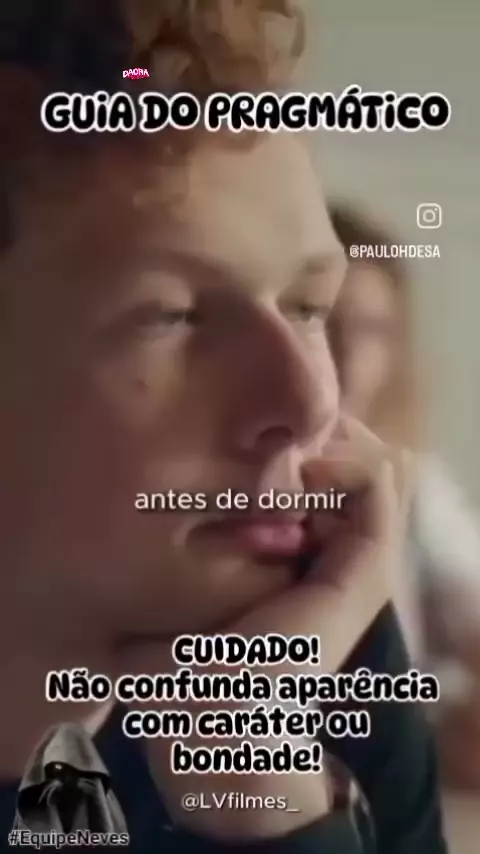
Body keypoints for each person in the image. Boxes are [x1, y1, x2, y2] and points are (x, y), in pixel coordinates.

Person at [0, 2, 448, 852]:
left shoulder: (320, 642)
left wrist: (255, 772)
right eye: (171, 316)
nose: (312, 405)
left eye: (309, 305)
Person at [328, 201, 480, 787]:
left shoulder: (417, 480)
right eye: (322, 318)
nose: (347, 354)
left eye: (372, 329)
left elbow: (470, 612)